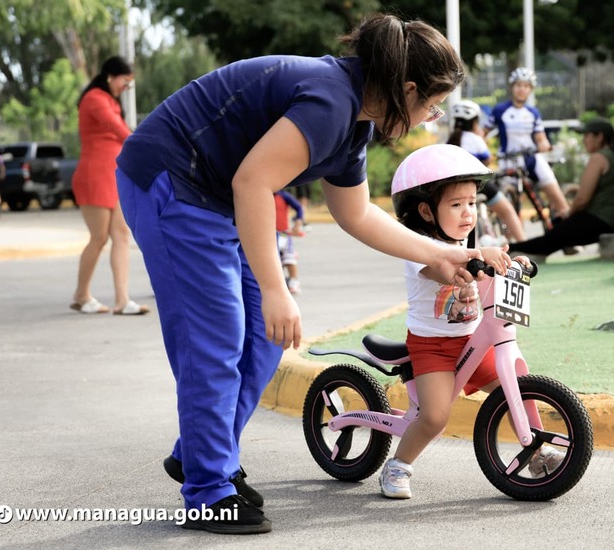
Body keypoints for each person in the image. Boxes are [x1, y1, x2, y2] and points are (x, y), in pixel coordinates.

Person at [115, 13, 486, 534]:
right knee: (215, 337)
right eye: (431, 103)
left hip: (217, 197)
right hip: (171, 180)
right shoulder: (331, 100)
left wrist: (437, 255)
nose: (432, 116)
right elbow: (253, 182)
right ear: (405, 89)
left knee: (264, 342)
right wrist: (274, 288)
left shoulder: (353, 121)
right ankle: (206, 489)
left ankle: (200, 453)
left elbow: (355, 213)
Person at [379, 143, 562, 499]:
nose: (467, 213)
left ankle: (538, 452)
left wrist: (513, 262)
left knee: (519, 390)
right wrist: (479, 258)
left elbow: (491, 260)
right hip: (432, 346)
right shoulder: (418, 246)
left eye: (472, 203)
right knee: (434, 417)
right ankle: (397, 466)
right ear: (427, 212)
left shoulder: (469, 238)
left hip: (471, 340)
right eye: (456, 204)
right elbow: (443, 269)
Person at [70, 56, 148, 316]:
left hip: (112, 175)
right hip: (95, 175)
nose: (125, 88)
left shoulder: (108, 100)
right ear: (110, 76)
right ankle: (81, 295)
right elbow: (119, 131)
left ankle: (123, 300)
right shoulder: (94, 98)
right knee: (99, 237)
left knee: (121, 235)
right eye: (124, 82)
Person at [508, 118, 614, 258]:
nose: (584, 140)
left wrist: (568, 214)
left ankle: (510, 249)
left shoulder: (599, 158)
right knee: (559, 230)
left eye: (587, 136)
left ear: (599, 137)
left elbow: (582, 200)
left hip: (605, 221)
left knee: (554, 233)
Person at [485, 67, 571, 220]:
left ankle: (567, 221)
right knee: (509, 204)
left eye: (526, 86)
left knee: (554, 189)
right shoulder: (500, 110)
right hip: (508, 160)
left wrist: (544, 144)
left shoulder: (533, 112)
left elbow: (540, 137)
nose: (521, 89)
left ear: (530, 89)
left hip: (531, 158)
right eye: (518, 85)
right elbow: (483, 133)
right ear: (512, 87)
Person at [448, 99, 526, 243]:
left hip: (454, 189)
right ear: (475, 122)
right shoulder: (475, 139)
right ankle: (524, 243)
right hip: (478, 184)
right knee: (507, 211)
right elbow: (487, 160)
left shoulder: (449, 140)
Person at [274, 190, 305, 294]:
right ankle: (279, 283)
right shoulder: (258, 194)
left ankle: (294, 281)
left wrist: (298, 222)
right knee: (274, 261)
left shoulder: (282, 195)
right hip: (268, 234)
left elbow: (299, 208)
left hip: (284, 234)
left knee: (289, 258)